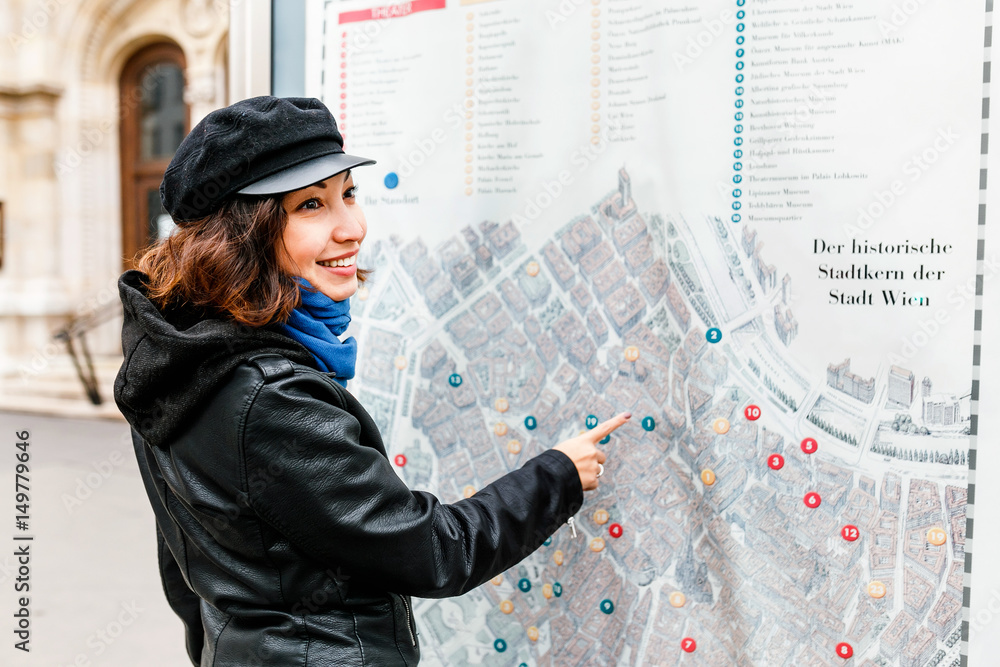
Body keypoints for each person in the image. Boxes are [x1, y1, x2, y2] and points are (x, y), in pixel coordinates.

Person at [114, 96, 629, 667]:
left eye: (349, 193)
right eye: (312, 205)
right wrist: (558, 476)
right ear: (243, 235)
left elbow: (186, 575)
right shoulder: (270, 399)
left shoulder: (174, 359)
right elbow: (434, 551)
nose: (353, 227)